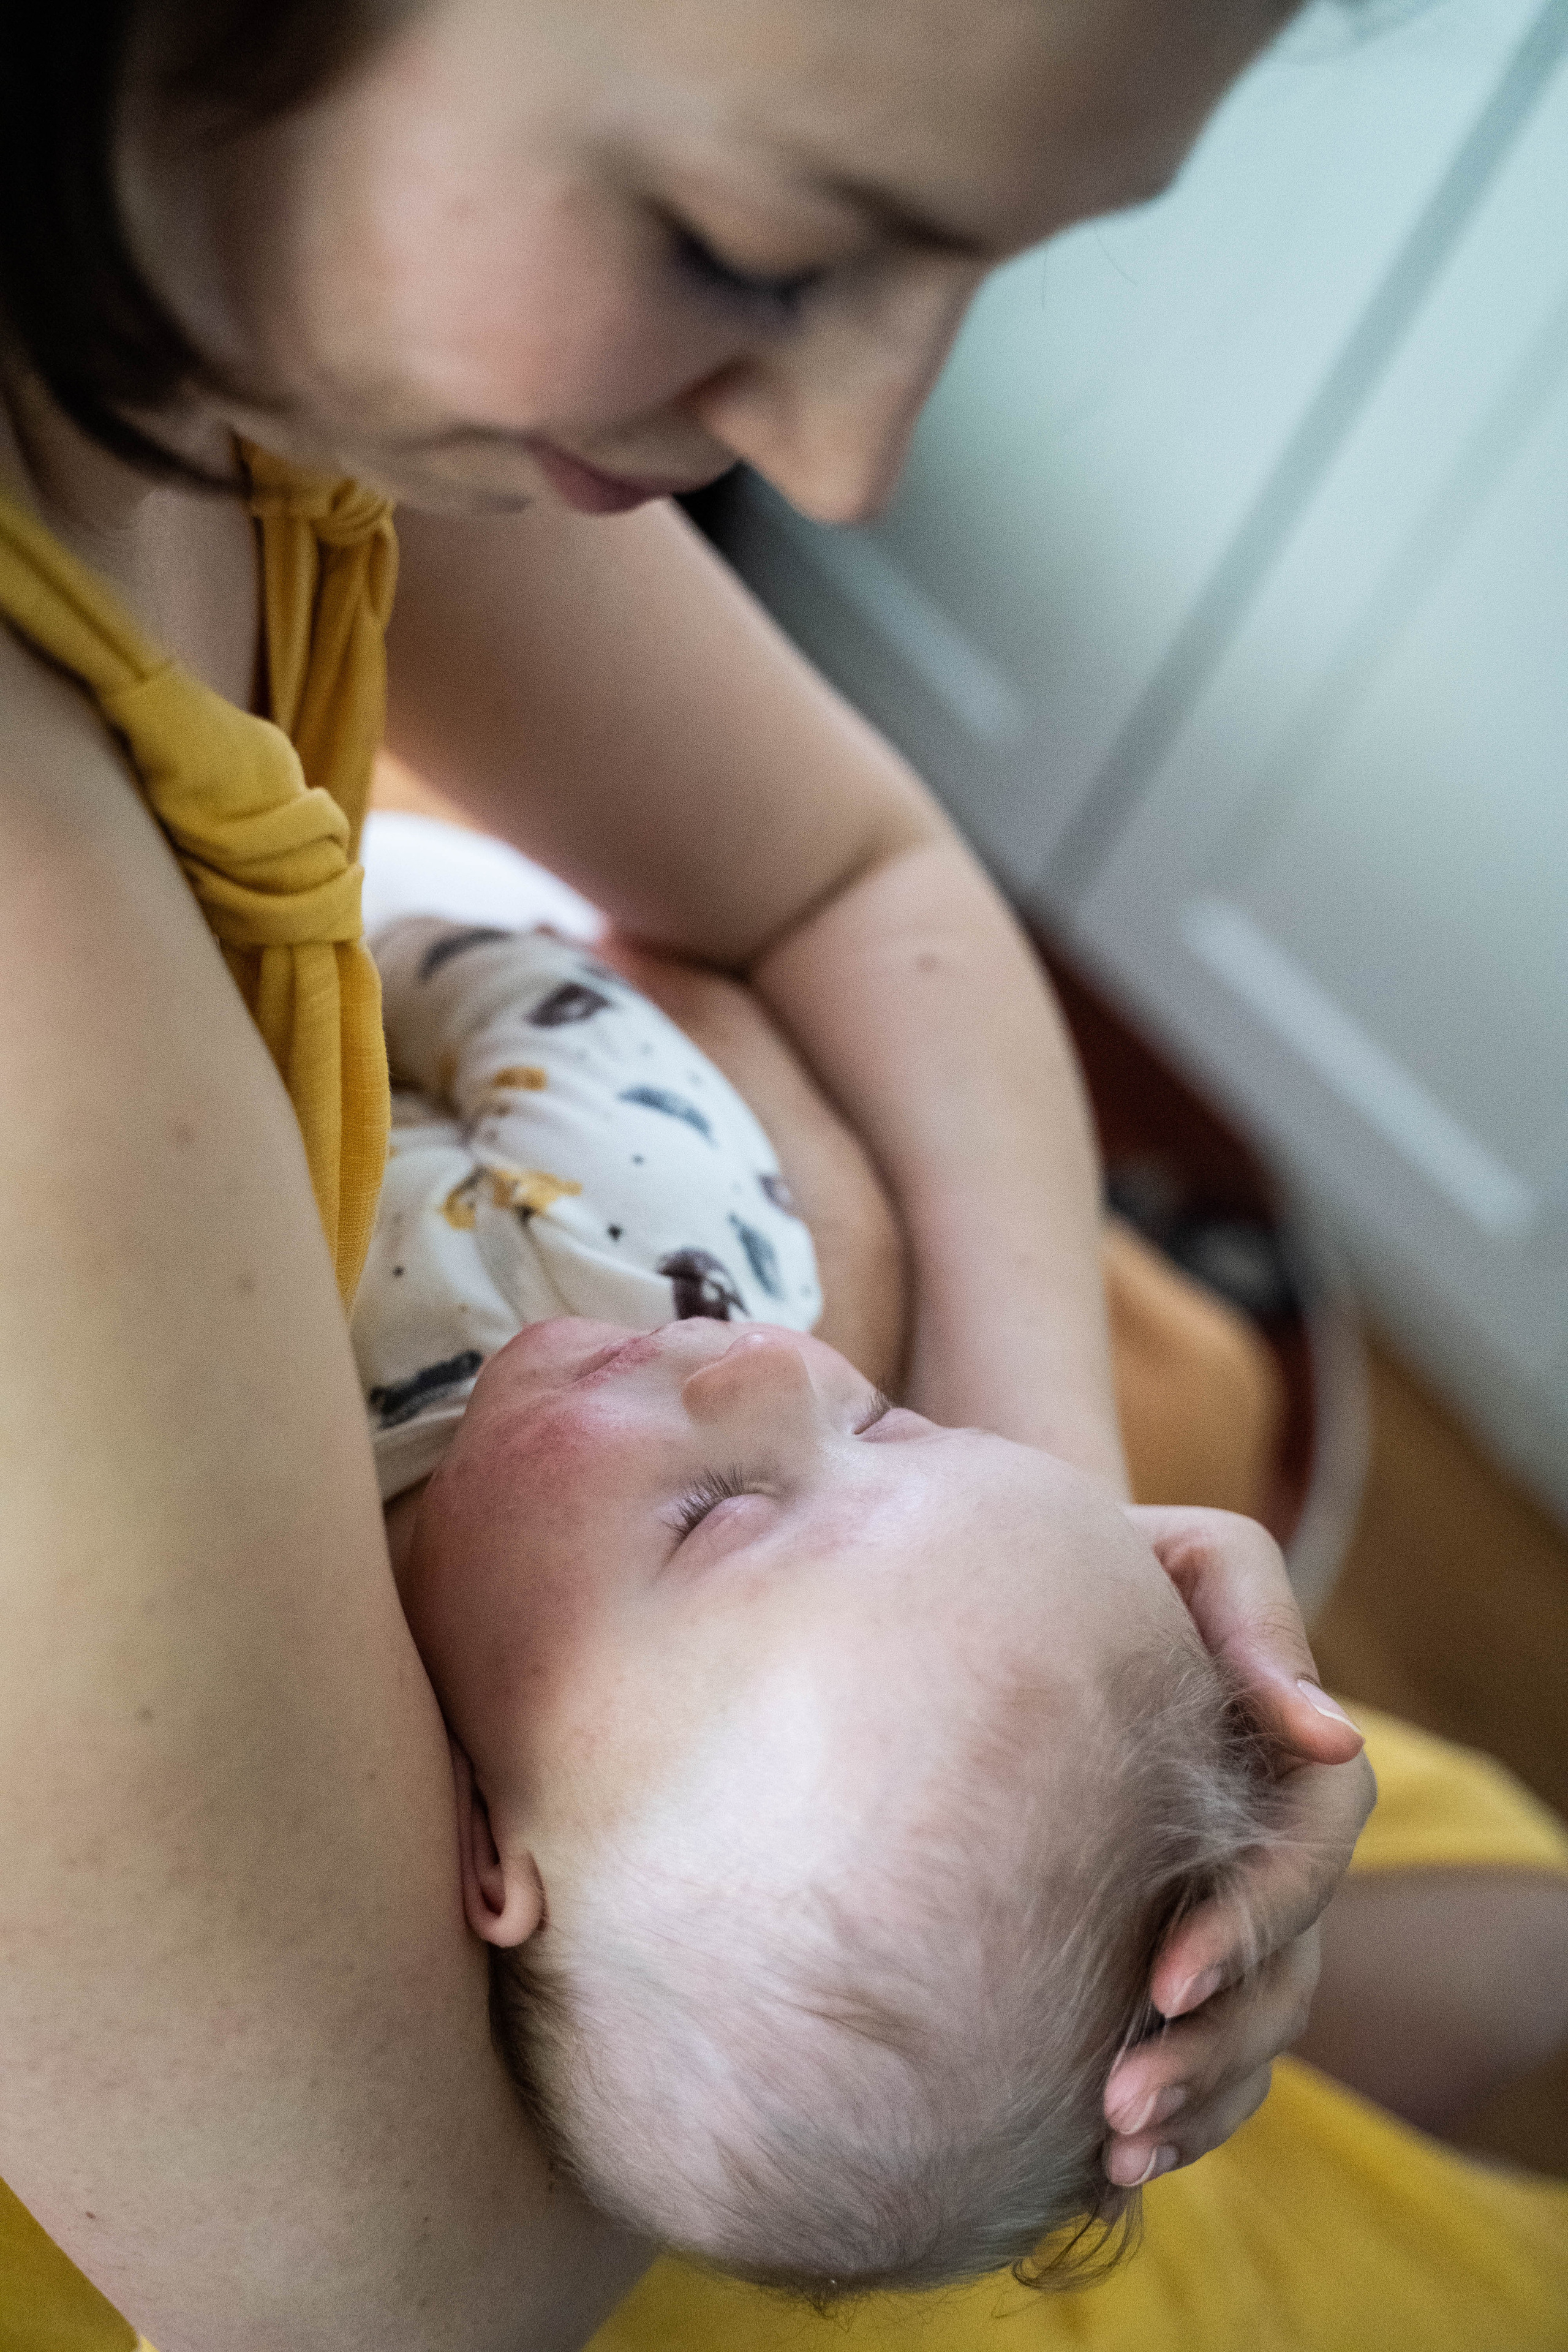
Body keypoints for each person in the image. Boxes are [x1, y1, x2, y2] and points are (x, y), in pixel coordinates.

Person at [0, 2, 1553, 2346]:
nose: (844, 464)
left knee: (1418, 1942)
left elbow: (860, 877)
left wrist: (1038, 1584)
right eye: (749, 249)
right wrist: (862, 1230)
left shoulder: (216, 314)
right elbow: (393, 2298)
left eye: (979, 274)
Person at [356, 914, 1286, 2290]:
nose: (777, 1362)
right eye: (894, 1422)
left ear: (493, 1854)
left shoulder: (262, 1594)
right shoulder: (646, 1242)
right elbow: (473, 975)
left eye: (715, 1516)